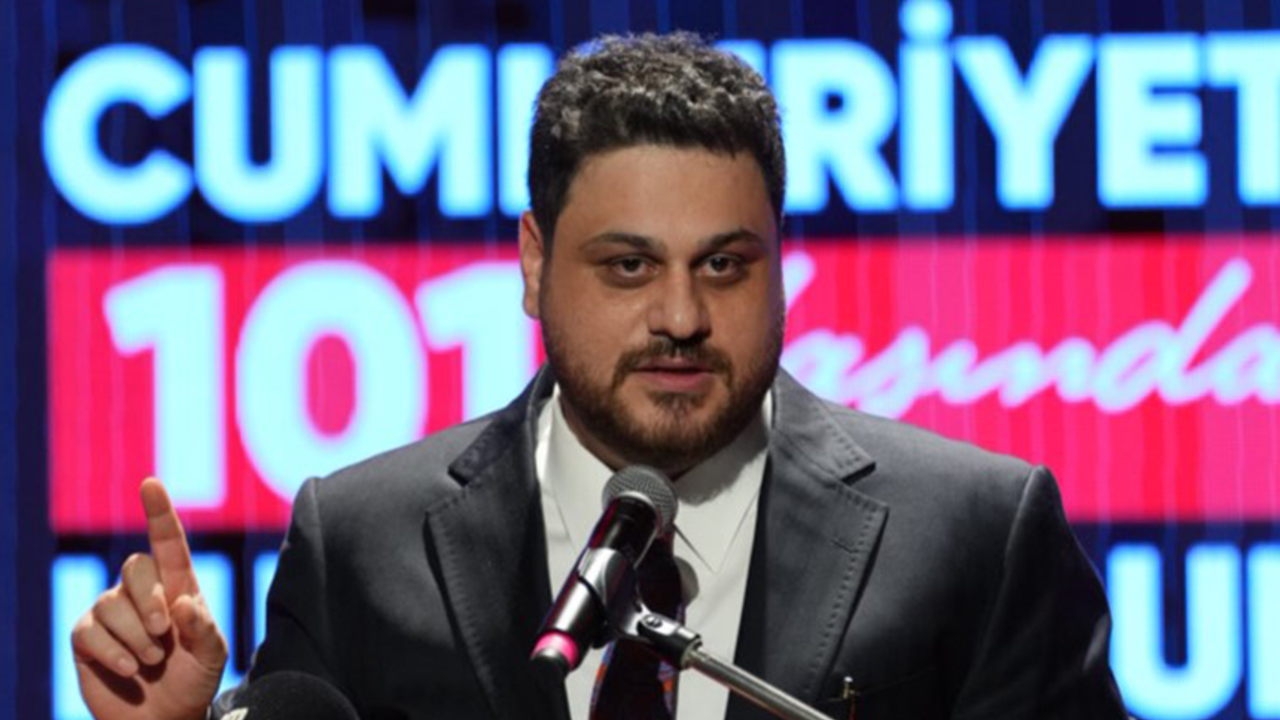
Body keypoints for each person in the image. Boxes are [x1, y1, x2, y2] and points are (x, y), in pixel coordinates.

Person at [70, 32, 1128, 720]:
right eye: (628, 266)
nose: (681, 317)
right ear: (533, 265)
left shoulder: (976, 536)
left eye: (724, 265)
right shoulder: (359, 545)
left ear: (780, 265)